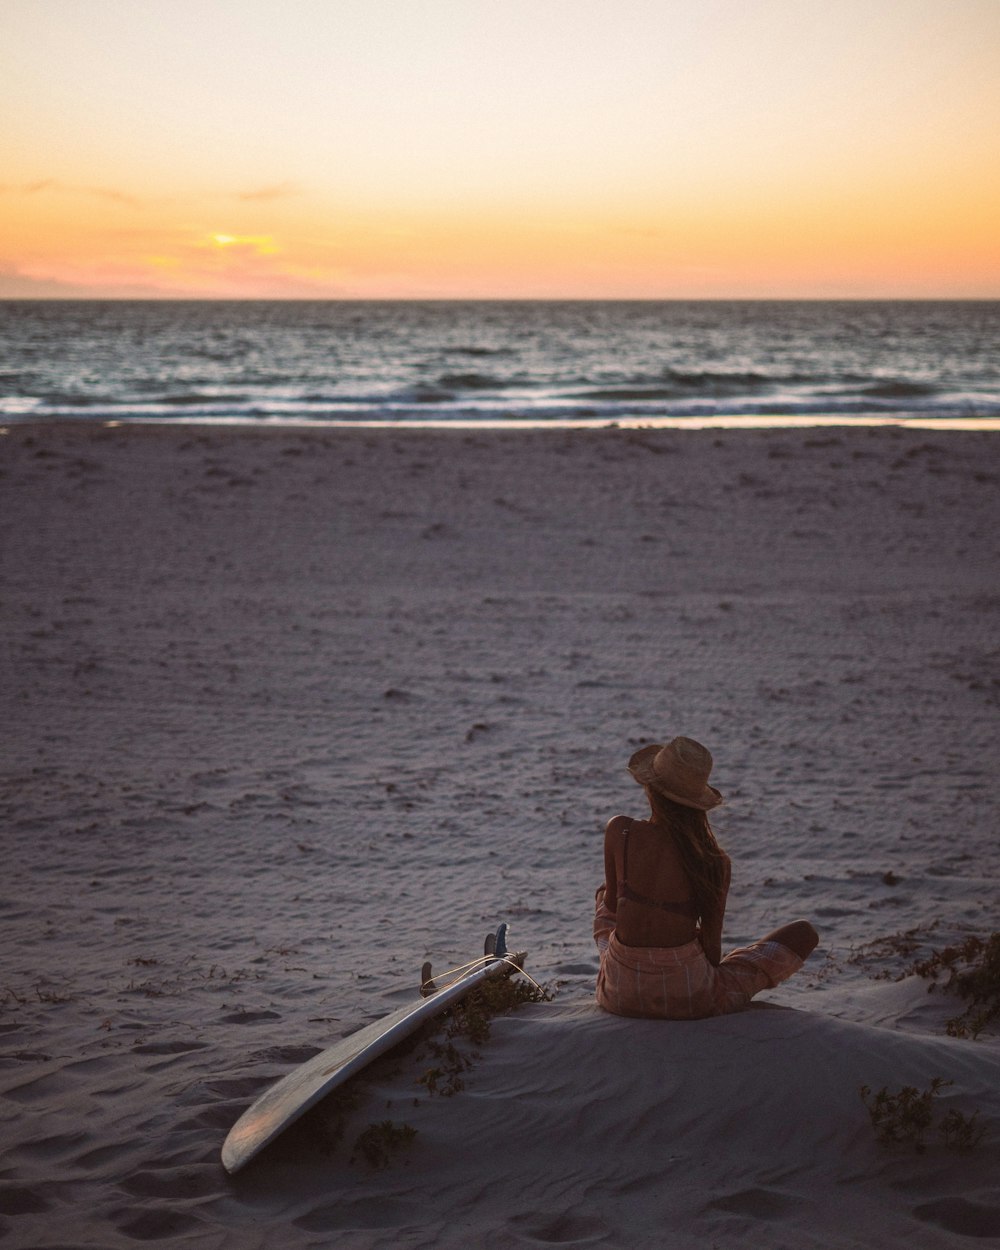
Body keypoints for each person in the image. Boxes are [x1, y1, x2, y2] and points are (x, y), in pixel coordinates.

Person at [594, 736, 818, 1019]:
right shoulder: (714, 862)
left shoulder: (620, 830)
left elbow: (612, 909)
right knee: (803, 933)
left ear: (650, 789)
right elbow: (712, 953)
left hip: (618, 993)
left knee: (604, 895)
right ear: (698, 803)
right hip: (689, 1000)